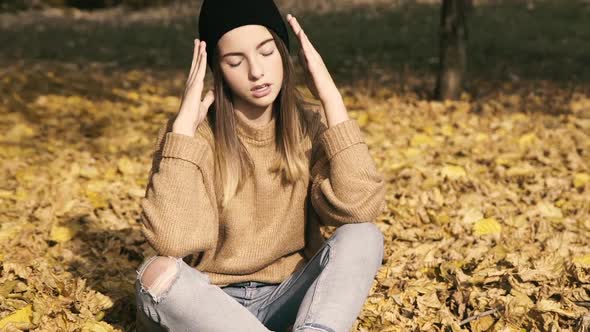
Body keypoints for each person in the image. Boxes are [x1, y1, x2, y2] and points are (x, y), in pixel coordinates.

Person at [134, 0, 386, 331]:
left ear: (284, 52)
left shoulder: (308, 126)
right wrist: (182, 133)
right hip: (209, 308)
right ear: (217, 69)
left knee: (364, 235)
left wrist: (331, 98)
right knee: (157, 274)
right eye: (235, 61)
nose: (256, 72)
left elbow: (361, 206)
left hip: (289, 296)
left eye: (266, 53)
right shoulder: (192, 135)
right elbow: (173, 242)